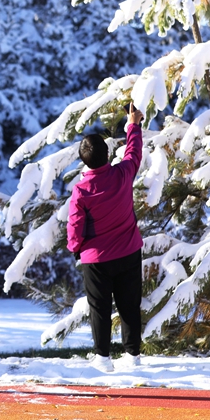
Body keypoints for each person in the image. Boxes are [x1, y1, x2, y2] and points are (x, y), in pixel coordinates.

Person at [67, 103, 145, 373]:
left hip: (96, 259)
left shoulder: (81, 191)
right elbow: (134, 152)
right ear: (108, 154)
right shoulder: (122, 174)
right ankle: (132, 355)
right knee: (129, 304)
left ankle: (103, 357)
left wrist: (76, 248)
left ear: (84, 160)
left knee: (99, 308)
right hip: (129, 251)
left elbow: (75, 227)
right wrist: (133, 124)